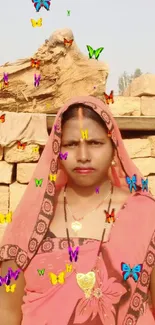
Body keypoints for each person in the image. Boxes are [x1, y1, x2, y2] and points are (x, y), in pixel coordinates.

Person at [0, 95, 155, 325]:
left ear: (114, 148)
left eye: (94, 143)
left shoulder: (145, 214)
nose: (83, 157)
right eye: (71, 145)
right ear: (56, 151)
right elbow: (7, 312)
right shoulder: (33, 218)